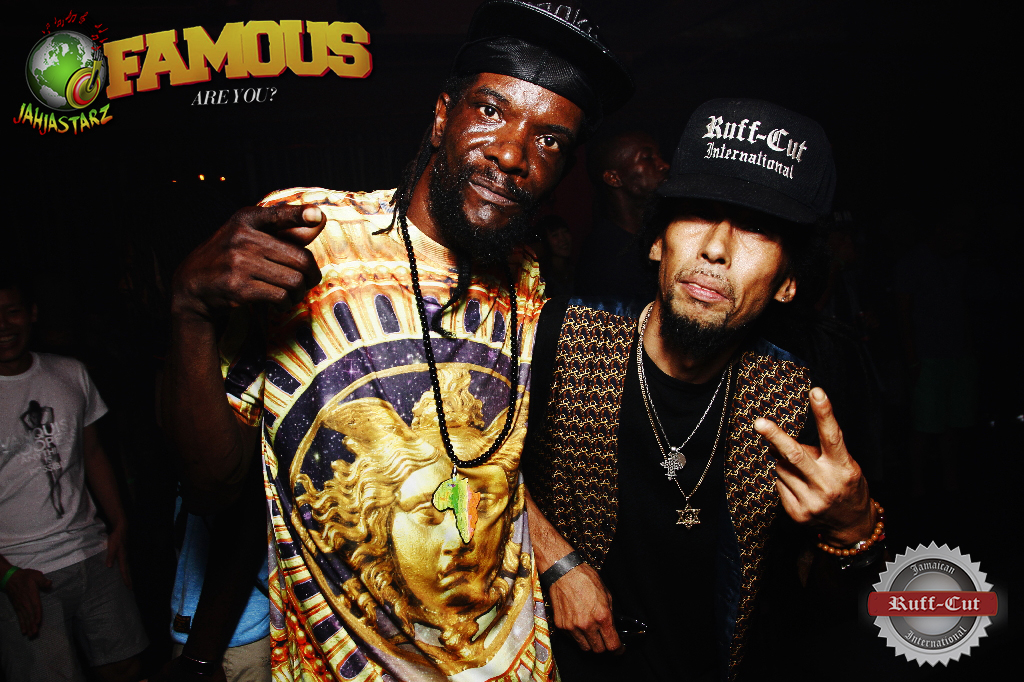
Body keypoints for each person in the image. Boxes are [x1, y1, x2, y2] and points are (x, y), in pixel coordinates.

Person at [161, 2, 632, 680]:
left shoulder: (527, 276)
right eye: (491, 111)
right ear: (442, 115)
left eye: (551, 140)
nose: (513, 154)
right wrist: (189, 313)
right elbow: (215, 485)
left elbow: (484, 465)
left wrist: (558, 560)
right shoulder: (315, 237)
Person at [523, 99, 884, 681]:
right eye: (697, 214)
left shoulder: (800, 398)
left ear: (788, 283)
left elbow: (833, 613)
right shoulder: (558, 339)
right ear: (656, 243)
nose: (716, 248)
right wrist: (554, 559)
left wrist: (854, 530)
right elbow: (457, 463)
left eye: (757, 228)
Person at [0, 276, 148, 682]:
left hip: (93, 552)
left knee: (126, 666)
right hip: (22, 570)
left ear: (32, 313)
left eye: (12, 311)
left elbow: (93, 452)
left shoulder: (69, 372)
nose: (4, 325)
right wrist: (6, 575)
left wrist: (119, 523)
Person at [574, 130, 670, 301]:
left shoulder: (654, 236)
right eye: (647, 158)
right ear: (614, 178)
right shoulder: (605, 258)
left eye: (659, 156)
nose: (664, 165)